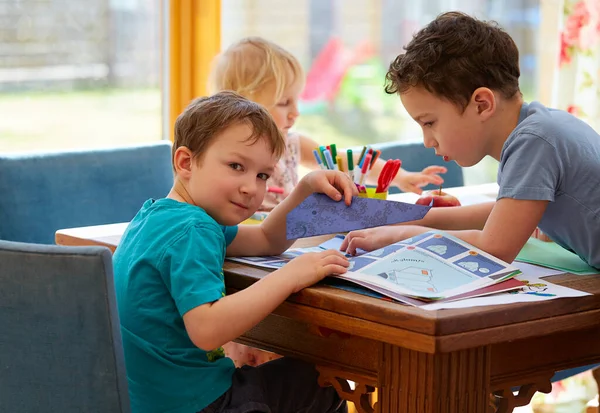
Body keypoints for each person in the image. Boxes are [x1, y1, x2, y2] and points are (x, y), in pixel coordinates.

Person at [113, 91, 354, 413]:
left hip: (144, 401)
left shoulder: (161, 216)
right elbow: (208, 331)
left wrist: (305, 189)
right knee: (319, 380)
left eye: (262, 175)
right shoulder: (193, 231)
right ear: (186, 162)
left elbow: (268, 239)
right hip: (196, 403)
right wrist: (290, 276)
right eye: (236, 166)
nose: (251, 187)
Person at [340, 11, 600, 271]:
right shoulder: (542, 126)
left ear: (482, 104)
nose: (428, 141)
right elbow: (504, 215)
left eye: (429, 123)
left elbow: (495, 247)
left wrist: (400, 236)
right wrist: (410, 219)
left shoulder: (534, 142)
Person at [208, 36, 447, 211]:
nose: (295, 113)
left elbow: (343, 162)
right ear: (243, 103)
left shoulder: (290, 143)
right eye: (283, 103)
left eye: (295, 101)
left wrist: (401, 177)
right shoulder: (222, 153)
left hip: (282, 239)